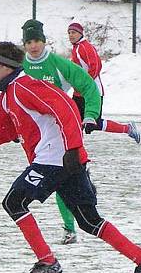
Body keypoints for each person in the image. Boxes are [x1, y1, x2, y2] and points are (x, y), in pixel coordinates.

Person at [0, 41, 141, 273]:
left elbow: (67, 107)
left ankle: (47, 261)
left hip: (55, 160)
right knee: (88, 221)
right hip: (64, 161)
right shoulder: (10, 95)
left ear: (6, 66)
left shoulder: (25, 87)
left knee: (13, 202)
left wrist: (73, 149)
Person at [20, 18, 102, 246]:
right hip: (34, 137)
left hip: (61, 133)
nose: (33, 46)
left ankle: (69, 228)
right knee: (57, 183)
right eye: (29, 42)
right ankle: (82, 183)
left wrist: (90, 114)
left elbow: (88, 86)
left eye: (37, 40)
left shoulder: (57, 64)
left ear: (44, 41)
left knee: (57, 182)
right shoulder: (19, 66)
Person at [67, 21, 140, 144]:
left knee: (92, 124)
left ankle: (127, 128)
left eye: (73, 32)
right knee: (73, 121)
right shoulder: (76, 48)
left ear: (80, 34)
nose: (71, 35)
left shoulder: (85, 47)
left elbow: (96, 66)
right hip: (79, 93)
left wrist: (86, 84)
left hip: (92, 92)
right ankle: (73, 152)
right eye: (69, 33)